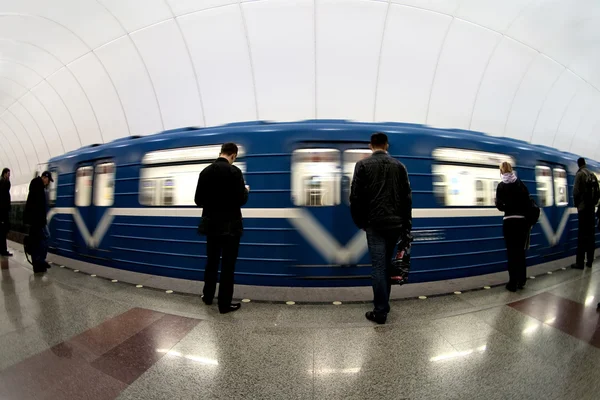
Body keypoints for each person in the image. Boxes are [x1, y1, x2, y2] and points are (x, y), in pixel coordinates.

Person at [350, 132, 412, 324]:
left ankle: (380, 311)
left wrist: (361, 222)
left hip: (375, 224)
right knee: (385, 264)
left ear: (371, 146)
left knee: (378, 267)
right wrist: (406, 225)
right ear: (386, 146)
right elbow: (407, 198)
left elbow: (355, 197)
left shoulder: (362, 165)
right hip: (395, 224)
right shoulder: (400, 166)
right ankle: (384, 303)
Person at [194, 143, 249, 314]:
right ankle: (224, 305)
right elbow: (241, 200)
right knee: (227, 266)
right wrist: (245, 190)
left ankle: (207, 297)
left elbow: (198, 200)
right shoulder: (235, 172)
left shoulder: (206, 171)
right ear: (233, 155)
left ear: (221, 152)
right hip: (231, 228)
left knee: (211, 262)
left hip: (212, 226)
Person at [495, 162, 530, 292]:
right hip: (521, 222)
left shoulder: (501, 186)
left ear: (501, 172)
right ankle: (522, 280)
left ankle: (512, 283)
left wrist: (506, 206)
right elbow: (527, 202)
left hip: (509, 222)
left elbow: (499, 205)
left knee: (511, 253)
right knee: (520, 252)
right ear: (511, 170)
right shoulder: (520, 184)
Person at [573, 157, 600, 269]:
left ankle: (580, 263)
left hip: (583, 210)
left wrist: (577, 205)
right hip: (591, 210)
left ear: (579, 164)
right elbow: (598, 192)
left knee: (582, 236)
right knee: (591, 236)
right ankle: (589, 261)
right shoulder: (592, 175)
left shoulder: (580, 174)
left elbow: (575, 192)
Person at [24, 171, 53, 273]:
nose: (48, 183)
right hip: (37, 220)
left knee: (38, 241)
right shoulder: (38, 186)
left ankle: (38, 264)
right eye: (48, 180)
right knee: (45, 237)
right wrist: (41, 220)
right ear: (45, 178)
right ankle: (40, 261)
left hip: (36, 220)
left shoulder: (37, 185)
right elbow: (37, 205)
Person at [0, 168, 11, 257]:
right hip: (3, 213)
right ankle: (3, 250)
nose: (9, 176)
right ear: (4, 174)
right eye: (8, 174)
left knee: (2, 232)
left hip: (2, 212)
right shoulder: (4, 183)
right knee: (3, 232)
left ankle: (2, 249)